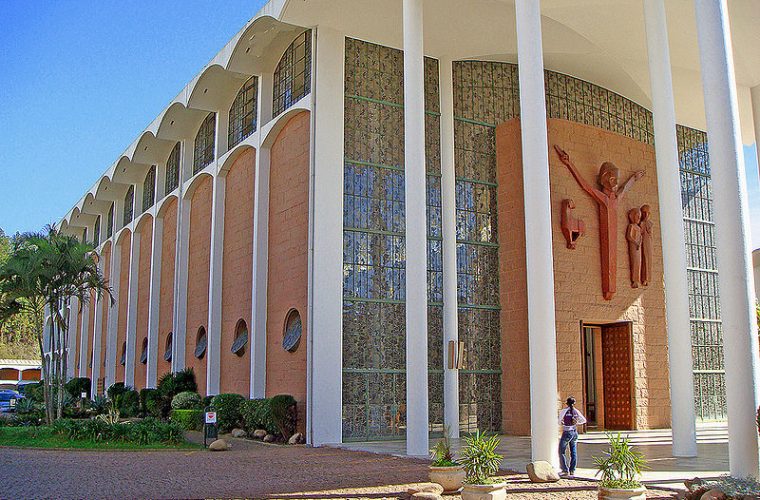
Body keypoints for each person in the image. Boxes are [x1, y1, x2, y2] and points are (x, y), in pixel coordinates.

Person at [558, 396, 587, 478]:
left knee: (561, 451)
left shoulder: (564, 411)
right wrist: (576, 422)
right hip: (574, 431)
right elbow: (584, 420)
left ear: (566, 403)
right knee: (573, 451)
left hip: (567, 432)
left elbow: (559, 422)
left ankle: (564, 469)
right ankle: (572, 470)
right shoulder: (576, 411)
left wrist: (563, 423)